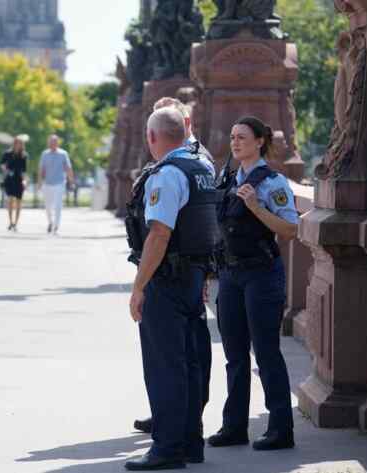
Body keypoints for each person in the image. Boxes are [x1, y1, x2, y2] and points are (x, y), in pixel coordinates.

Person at [124, 107, 220, 470]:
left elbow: (159, 235)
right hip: (194, 277)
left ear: (152, 137)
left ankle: (167, 448)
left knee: (166, 366)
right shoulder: (203, 169)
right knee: (191, 364)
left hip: (167, 280)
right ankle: (191, 443)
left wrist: (138, 286)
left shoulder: (167, 175)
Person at [207, 116, 298, 451]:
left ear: (260, 141)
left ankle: (280, 429)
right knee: (234, 354)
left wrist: (255, 206)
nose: (235, 142)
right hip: (230, 276)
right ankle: (234, 427)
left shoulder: (273, 183)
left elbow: (290, 230)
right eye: (232, 136)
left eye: (242, 137)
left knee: (266, 352)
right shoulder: (227, 177)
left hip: (262, 274)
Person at [38, 135, 75, 235]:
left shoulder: (63, 154)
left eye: (54, 142)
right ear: (48, 143)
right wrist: (39, 182)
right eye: (50, 142)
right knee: (48, 206)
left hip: (59, 183)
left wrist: (71, 181)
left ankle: (56, 226)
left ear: (57, 143)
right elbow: (41, 169)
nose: (52, 144)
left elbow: (68, 168)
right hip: (47, 183)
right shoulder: (44, 154)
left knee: (58, 205)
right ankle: (50, 222)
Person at [1, 134, 29, 231]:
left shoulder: (24, 155)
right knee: (10, 200)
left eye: (20, 143)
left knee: (18, 202)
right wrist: (5, 170)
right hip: (9, 179)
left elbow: (24, 170)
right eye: (16, 143)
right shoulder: (7, 154)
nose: (18, 145)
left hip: (19, 180)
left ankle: (15, 223)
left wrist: (25, 181)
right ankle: (10, 222)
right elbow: (2, 165)